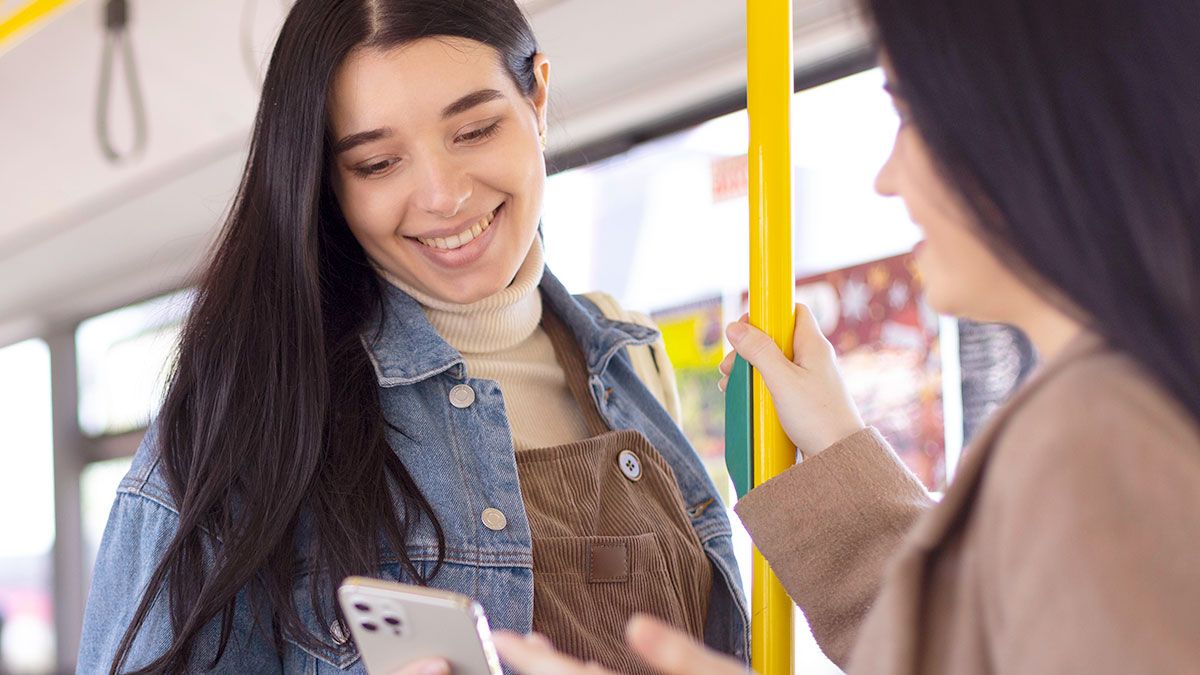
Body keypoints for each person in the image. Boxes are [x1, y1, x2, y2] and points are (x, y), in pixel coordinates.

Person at [430, 0, 1200, 673]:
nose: (888, 176)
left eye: (911, 117)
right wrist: (835, 450)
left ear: (1031, 124)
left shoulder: (1105, 431)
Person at [76, 1, 748, 673]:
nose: (442, 195)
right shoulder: (247, 418)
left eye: (475, 130)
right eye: (377, 164)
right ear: (328, 183)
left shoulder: (633, 360)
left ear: (537, 96)